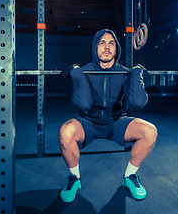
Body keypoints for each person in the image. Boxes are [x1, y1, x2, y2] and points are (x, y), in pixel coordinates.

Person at [59, 29, 158, 203]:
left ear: (116, 49)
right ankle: (74, 178)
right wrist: (77, 75)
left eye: (111, 43)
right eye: (102, 43)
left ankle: (129, 176)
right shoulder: (84, 71)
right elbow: (83, 104)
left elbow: (138, 103)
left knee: (150, 131)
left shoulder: (124, 72)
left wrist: (136, 73)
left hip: (117, 120)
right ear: (95, 48)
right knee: (65, 132)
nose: (106, 47)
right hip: (88, 121)